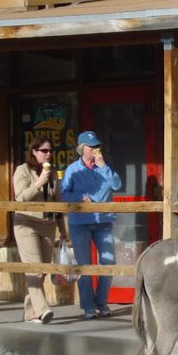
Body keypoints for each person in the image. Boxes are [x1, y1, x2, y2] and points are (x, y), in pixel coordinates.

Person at [60, 131, 122, 320]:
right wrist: (79, 198)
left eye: (97, 146)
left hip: (103, 221)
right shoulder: (72, 169)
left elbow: (117, 185)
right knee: (84, 265)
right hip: (80, 223)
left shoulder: (103, 167)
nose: (95, 149)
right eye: (92, 146)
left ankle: (101, 303)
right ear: (82, 149)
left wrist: (103, 166)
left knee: (108, 262)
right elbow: (64, 194)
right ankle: (88, 306)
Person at [13, 136, 69, 324]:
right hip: (26, 224)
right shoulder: (22, 170)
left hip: (48, 224)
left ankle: (30, 312)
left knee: (42, 269)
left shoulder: (53, 172)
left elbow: (57, 201)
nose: (48, 154)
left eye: (50, 151)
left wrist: (63, 229)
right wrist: (38, 183)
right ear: (34, 152)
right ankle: (43, 309)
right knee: (34, 269)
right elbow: (20, 198)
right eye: (44, 151)